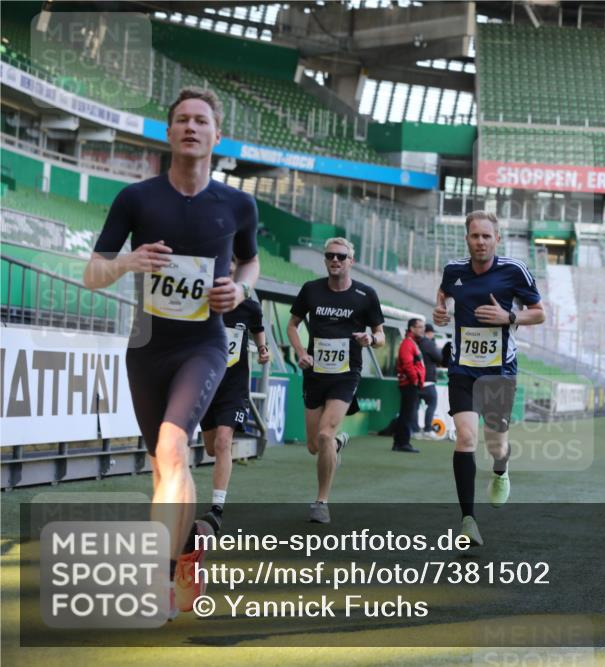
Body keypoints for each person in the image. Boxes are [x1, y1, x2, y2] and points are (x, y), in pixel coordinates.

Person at [83, 87, 259, 617]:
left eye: (201, 120)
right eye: (181, 119)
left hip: (203, 345)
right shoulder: (136, 199)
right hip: (146, 348)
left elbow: (250, 264)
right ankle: (187, 554)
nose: (190, 127)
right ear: (168, 132)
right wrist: (128, 262)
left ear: (216, 135)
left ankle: (157, 580)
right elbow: (92, 273)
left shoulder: (237, 204)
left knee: (173, 449)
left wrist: (241, 290)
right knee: (162, 467)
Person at [433, 211, 545, 546]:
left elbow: (539, 313)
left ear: (497, 239)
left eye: (486, 236)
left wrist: (508, 316)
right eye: (474, 236)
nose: (480, 242)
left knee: (496, 444)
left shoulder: (514, 271)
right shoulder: (454, 270)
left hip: (499, 370)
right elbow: (443, 294)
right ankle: (468, 520)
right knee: (465, 439)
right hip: (462, 368)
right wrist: (440, 310)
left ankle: (501, 468)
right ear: (467, 239)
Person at [287, 237, 385, 523]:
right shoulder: (311, 290)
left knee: (325, 433)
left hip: (346, 373)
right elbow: (292, 325)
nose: (335, 260)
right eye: (330, 255)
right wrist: (301, 352)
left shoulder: (365, 295)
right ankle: (338, 444)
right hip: (315, 372)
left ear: (351, 261)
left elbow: (380, 335)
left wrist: (371, 338)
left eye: (341, 256)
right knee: (314, 446)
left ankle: (321, 502)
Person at [199, 259, 270, 534]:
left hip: (233, 385)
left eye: (234, 262)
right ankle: (222, 458)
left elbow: (258, 328)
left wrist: (263, 349)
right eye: (224, 261)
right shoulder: (203, 299)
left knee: (223, 440)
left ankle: (216, 507)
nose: (229, 267)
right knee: (211, 447)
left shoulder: (249, 305)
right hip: (206, 383)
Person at [394, 318, 425, 453]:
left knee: (406, 414)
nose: (422, 329)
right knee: (407, 414)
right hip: (409, 384)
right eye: (419, 327)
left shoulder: (411, 343)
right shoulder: (408, 343)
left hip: (410, 383)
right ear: (412, 328)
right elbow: (407, 365)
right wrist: (415, 380)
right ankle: (403, 443)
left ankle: (399, 442)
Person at [414, 322, 443, 438]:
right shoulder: (429, 343)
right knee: (432, 404)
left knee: (414, 407)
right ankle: (427, 429)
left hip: (415, 380)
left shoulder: (415, 342)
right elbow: (439, 358)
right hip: (428, 380)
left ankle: (415, 430)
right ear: (429, 333)